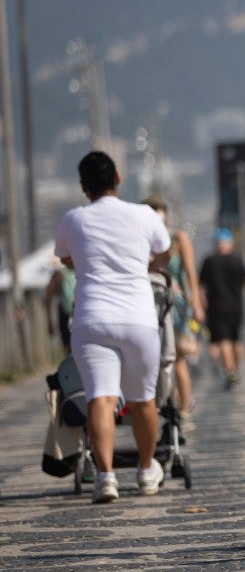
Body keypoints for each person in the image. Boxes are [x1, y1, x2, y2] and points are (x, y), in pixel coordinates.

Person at [54, 151, 172, 503]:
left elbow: (66, 259)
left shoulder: (73, 219)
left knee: (100, 398)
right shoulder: (144, 214)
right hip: (138, 319)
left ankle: (105, 477)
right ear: (118, 177)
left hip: (92, 320)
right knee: (143, 401)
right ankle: (147, 470)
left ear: (83, 187)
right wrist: (144, 261)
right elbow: (164, 252)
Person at [142, 195, 205, 431]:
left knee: (178, 358)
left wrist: (197, 304)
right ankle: (174, 401)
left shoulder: (178, 239)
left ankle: (185, 409)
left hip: (179, 306)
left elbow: (190, 273)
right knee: (157, 360)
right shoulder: (142, 240)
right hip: (151, 303)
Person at [198, 228, 245, 387]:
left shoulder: (209, 261)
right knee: (236, 340)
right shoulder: (237, 259)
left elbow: (200, 286)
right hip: (236, 307)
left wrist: (202, 304)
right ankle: (236, 368)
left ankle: (231, 372)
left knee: (224, 340)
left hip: (216, 307)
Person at [43, 262, 77, 354]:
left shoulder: (81, 268)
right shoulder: (60, 272)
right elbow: (48, 297)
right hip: (68, 314)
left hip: (78, 313)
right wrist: (49, 322)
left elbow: (48, 297)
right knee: (69, 350)